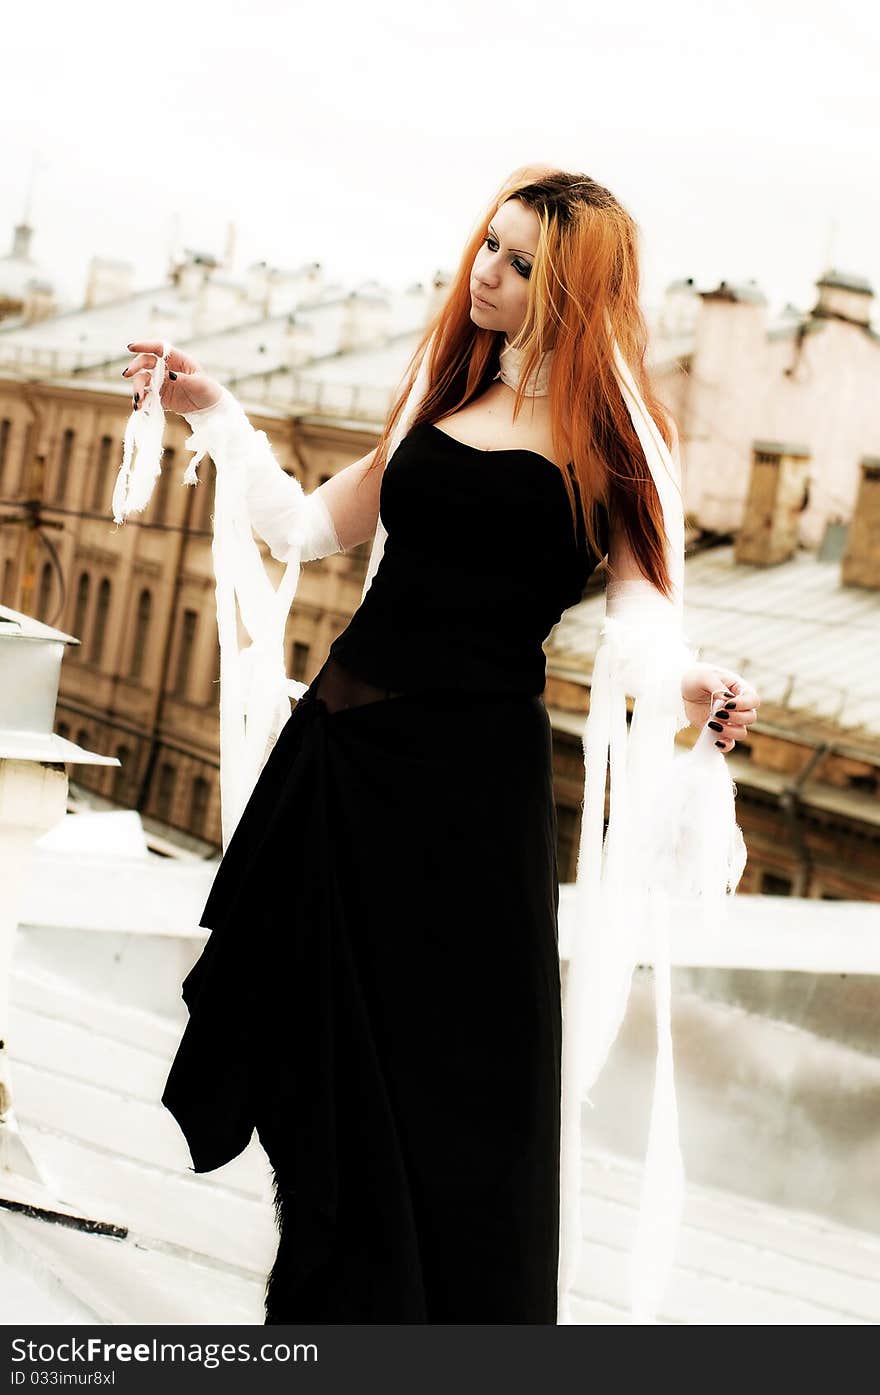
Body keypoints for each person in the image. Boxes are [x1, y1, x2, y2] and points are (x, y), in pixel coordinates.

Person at [124, 165, 759, 1324]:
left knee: (461, 1098)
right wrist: (213, 413)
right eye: (490, 246)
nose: (490, 273)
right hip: (342, 770)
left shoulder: (611, 446)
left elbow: (642, 617)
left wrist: (690, 683)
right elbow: (303, 528)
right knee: (323, 1083)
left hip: (469, 806)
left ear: (574, 290)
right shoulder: (437, 403)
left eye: (523, 263)